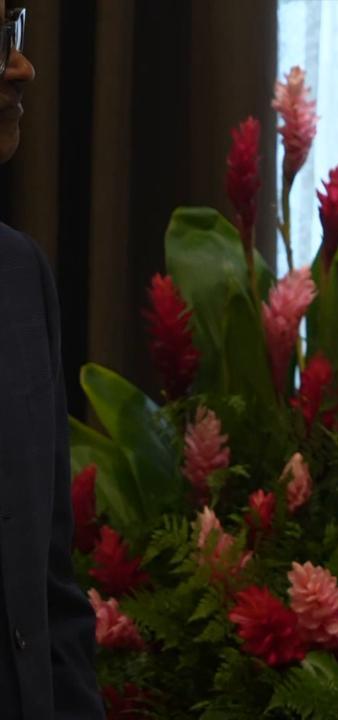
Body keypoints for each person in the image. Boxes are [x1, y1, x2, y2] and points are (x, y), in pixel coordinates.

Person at [0, 4, 104, 718]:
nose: (21, 66)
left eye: (16, 27)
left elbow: (49, 586)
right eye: (1, 38)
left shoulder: (20, 276)